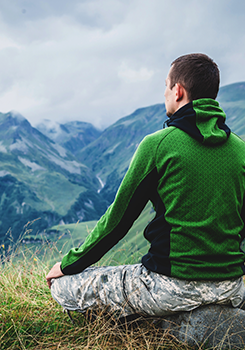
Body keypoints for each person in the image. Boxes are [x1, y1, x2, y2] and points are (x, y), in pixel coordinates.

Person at [46, 53, 245, 319]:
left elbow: (118, 221)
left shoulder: (157, 145)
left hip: (170, 287)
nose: (164, 92)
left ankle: (175, 326)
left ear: (178, 91)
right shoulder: (241, 150)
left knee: (64, 287)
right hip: (231, 289)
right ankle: (213, 317)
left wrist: (69, 265)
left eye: (166, 85)